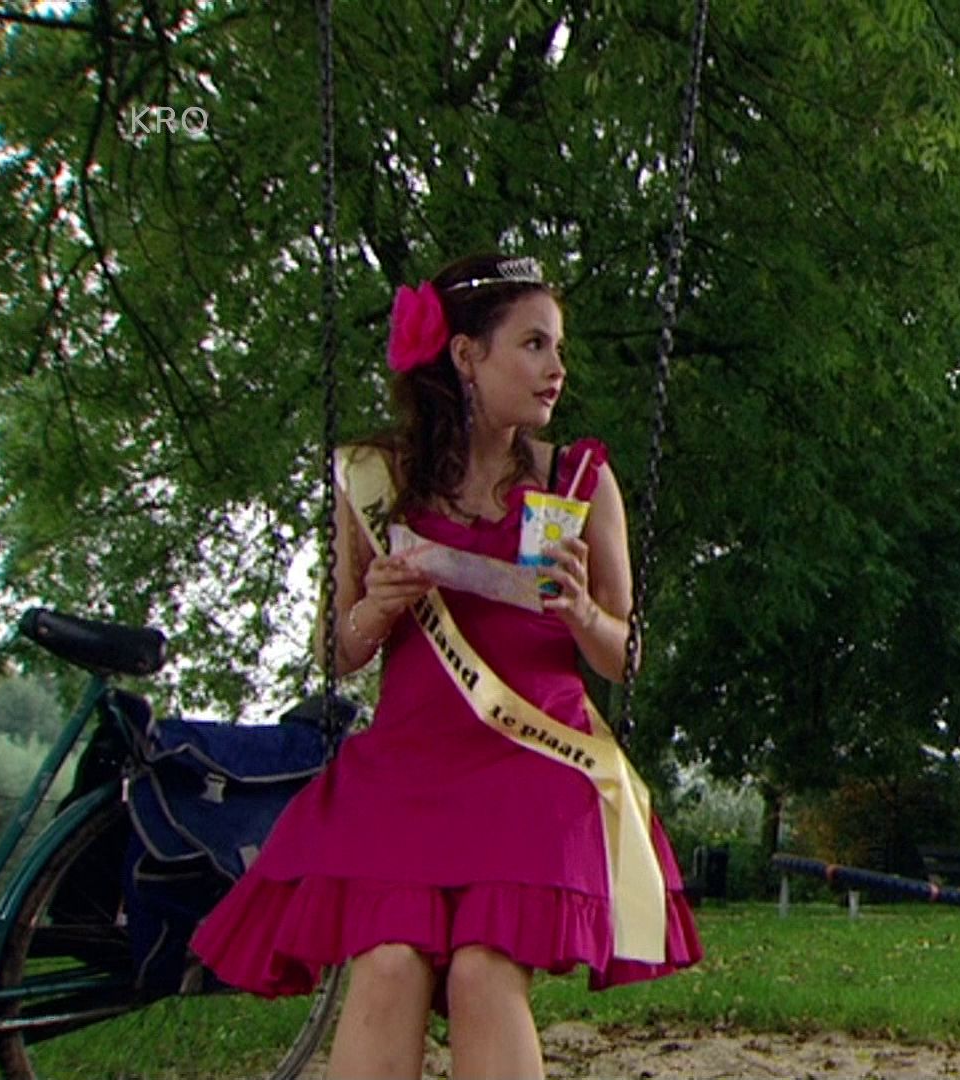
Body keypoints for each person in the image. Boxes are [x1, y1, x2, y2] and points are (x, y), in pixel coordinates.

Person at [191, 252, 702, 1079]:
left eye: (558, 347)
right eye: (533, 344)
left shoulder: (578, 478)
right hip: (410, 763)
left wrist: (581, 612)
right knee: (388, 964)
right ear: (466, 354)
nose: (557, 368)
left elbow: (625, 655)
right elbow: (337, 651)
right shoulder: (380, 478)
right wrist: (377, 604)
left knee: (482, 970)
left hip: (536, 759)